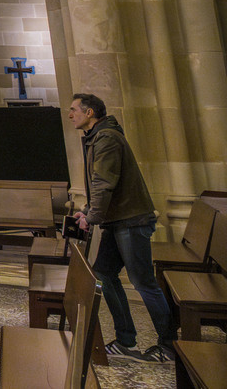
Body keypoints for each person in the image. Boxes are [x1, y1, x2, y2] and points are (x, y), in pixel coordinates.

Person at [70, 91, 175, 364]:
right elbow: (101, 184)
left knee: (143, 282)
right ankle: (126, 341)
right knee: (103, 273)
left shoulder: (106, 137)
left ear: (89, 112)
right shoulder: (98, 136)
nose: (70, 115)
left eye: (74, 110)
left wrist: (92, 217)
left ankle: (169, 346)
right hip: (119, 220)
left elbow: (104, 182)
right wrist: (88, 211)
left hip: (131, 220)